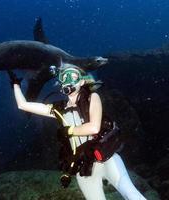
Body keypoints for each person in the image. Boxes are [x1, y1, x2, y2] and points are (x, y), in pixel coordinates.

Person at [8, 64, 146, 200]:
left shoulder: (92, 97)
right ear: (60, 82)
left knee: (131, 194)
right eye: (64, 76)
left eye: (73, 76)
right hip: (83, 168)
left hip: (106, 159)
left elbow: (94, 128)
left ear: (82, 81)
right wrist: (16, 85)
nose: (68, 79)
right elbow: (23, 105)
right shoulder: (59, 109)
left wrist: (69, 130)